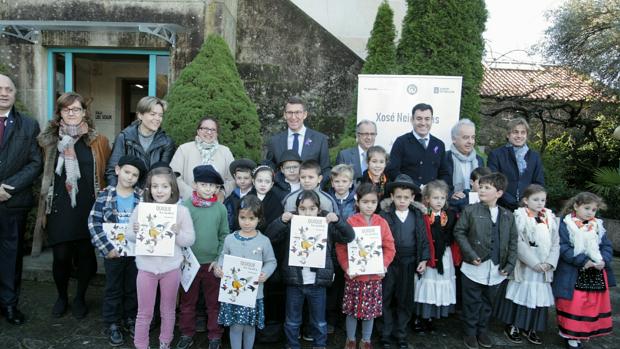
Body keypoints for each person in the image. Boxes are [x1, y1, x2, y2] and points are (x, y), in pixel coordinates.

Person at [34, 92, 111, 319]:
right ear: (59, 114)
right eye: (66, 109)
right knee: (61, 256)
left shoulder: (99, 141)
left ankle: (80, 298)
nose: (72, 113)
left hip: (88, 206)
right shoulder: (48, 141)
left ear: (84, 112)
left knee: (86, 255)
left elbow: (104, 172)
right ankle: (61, 296)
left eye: (76, 109)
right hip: (58, 207)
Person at [265, 190, 355, 349]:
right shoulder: (291, 223)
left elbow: (349, 236)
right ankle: (292, 345)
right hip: (294, 282)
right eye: (303, 208)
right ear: (297, 209)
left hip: (318, 283)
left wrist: (338, 220)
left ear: (319, 209)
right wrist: (281, 220)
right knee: (292, 321)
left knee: (319, 321)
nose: (307, 212)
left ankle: (320, 345)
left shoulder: (325, 223)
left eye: (312, 208)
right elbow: (270, 237)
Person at [127, 166, 195, 349]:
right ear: (149, 189)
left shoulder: (181, 212)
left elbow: (190, 239)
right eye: (155, 186)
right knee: (144, 312)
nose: (159, 190)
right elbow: (129, 235)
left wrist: (177, 233)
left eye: (164, 186)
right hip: (146, 268)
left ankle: (165, 342)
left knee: (168, 310)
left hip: (171, 269)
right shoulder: (141, 210)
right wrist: (135, 231)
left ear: (172, 188)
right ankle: (141, 345)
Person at [453, 173, 518, 349]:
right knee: (471, 302)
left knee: (488, 303)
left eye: (487, 187)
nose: (481, 190)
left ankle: (483, 330)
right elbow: (459, 232)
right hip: (473, 266)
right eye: (480, 186)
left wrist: (510, 265)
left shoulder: (508, 215)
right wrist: (470, 254)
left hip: (497, 268)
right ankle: (470, 332)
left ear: (499, 193)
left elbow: (513, 241)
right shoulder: (470, 210)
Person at [88, 155, 146, 346]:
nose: (130, 177)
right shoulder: (105, 195)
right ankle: (112, 322)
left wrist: (142, 229)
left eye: (135, 175)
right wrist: (107, 248)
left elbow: (149, 224)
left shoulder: (142, 197)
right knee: (113, 288)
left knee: (132, 287)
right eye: (127, 172)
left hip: (135, 253)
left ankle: (130, 318)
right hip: (113, 253)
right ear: (118, 170)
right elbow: (93, 222)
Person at [0, 74, 43, 325]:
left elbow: (35, 162)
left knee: (10, 258)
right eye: (0, 89)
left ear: (15, 94)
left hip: (12, 203)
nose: (4, 93)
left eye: (9, 89)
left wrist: (9, 187)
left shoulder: (28, 124)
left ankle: (8, 305)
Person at [494, 184, 559, 345]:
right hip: (527, 266)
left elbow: (556, 242)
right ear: (525, 200)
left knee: (538, 298)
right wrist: (534, 263)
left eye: (543, 200)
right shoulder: (519, 217)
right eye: (535, 199)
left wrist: (550, 262)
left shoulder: (550, 218)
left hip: (544, 268)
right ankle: (514, 325)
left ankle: (532, 327)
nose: (539, 203)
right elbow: (518, 242)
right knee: (520, 295)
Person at [552, 192, 615, 349]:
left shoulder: (598, 226)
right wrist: (583, 261)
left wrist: (603, 260)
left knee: (590, 305)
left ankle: (584, 331)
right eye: (587, 208)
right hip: (572, 273)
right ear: (575, 206)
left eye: (593, 210)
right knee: (573, 304)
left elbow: (606, 246)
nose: (590, 212)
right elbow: (563, 247)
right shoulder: (565, 224)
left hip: (595, 272)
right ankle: (570, 334)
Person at [336, 183, 395, 349]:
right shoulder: (351, 221)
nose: (369, 206)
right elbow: (341, 246)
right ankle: (351, 339)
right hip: (354, 276)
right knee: (351, 311)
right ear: (358, 201)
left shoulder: (381, 222)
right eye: (365, 202)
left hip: (374, 277)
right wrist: (347, 267)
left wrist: (383, 265)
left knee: (370, 313)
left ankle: (366, 340)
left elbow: (390, 246)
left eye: (373, 202)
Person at [214, 195, 277, 349]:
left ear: (259, 219)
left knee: (249, 327)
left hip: (254, 294)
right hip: (233, 294)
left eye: (251, 218)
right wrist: (219, 268)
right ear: (238, 217)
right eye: (243, 217)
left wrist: (265, 273)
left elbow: (271, 261)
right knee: (235, 327)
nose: (247, 222)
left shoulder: (264, 241)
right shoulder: (230, 239)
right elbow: (223, 257)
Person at [177, 165, 230, 349]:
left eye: (212, 186)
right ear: (194, 185)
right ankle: (186, 333)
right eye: (204, 184)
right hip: (189, 263)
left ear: (217, 189)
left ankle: (215, 335)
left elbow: (224, 236)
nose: (208, 188)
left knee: (213, 303)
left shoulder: (220, 209)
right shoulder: (185, 207)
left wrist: (219, 259)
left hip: (211, 264)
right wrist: (181, 257)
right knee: (187, 302)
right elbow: (179, 234)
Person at [380, 174, 428, 349]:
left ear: (412, 198)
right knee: (386, 297)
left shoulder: (417, 215)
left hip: (409, 262)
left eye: (406, 197)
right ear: (392, 197)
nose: (402, 200)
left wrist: (423, 258)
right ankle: (386, 333)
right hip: (389, 263)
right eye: (398, 197)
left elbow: (423, 238)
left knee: (405, 299)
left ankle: (401, 334)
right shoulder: (384, 215)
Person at [413, 180, 457, 331]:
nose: (439, 201)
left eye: (442, 198)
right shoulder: (423, 215)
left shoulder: (449, 216)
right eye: (435, 198)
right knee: (425, 284)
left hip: (444, 255)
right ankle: (420, 316)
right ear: (427, 199)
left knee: (439, 283)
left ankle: (431, 316)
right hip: (428, 255)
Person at [106, 96, 175, 187]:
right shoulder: (124, 137)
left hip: (152, 195)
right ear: (140, 115)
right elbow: (112, 170)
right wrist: (116, 194)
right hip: (127, 193)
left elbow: (163, 174)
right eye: (153, 114)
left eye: (160, 115)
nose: (158, 118)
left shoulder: (166, 142)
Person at [264, 96, 330, 180]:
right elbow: (270, 166)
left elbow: (326, 169)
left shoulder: (320, 140)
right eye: (290, 112)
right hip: (282, 191)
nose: (293, 117)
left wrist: (316, 188)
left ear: (305, 114)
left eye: (298, 112)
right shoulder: (274, 141)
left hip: (310, 191)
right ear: (285, 115)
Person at [170, 116, 235, 200]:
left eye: (213, 130)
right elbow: (173, 176)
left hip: (216, 203)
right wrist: (192, 195)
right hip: (187, 202)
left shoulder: (225, 152)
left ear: (217, 133)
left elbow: (233, 179)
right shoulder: (184, 149)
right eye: (205, 128)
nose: (209, 132)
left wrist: (222, 192)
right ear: (198, 131)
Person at [386, 103, 450, 186]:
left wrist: (437, 189)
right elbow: (392, 171)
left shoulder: (439, 144)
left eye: (427, 119)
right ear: (412, 120)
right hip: (408, 195)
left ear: (432, 120)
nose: (423, 123)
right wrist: (417, 186)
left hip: (433, 196)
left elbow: (444, 173)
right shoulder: (401, 142)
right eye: (419, 119)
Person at [487, 117, 544, 210]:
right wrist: (512, 202)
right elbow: (493, 182)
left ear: (527, 135)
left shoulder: (534, 156)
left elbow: (538, 184)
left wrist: (527, 201)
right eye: (515, 132)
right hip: (501, 206)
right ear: (508, 135)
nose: (519, 136)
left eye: (523, 132)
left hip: (527, 207)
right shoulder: (496, 154)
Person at [445, 119, 484, 200]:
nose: (470, 141)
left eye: (473, 137)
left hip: (475, 205)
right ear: (454, 139)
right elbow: (437, 185)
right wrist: (450, 195)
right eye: (466, 137)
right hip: (451, 206)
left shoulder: (479, 160)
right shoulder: (444, 158)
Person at [224, 159, 257, 231]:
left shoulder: (256, 195)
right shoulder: (232, 196)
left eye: (246, 178)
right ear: (234, 176)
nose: (242, 181)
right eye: (239, 178)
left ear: (252, 178)